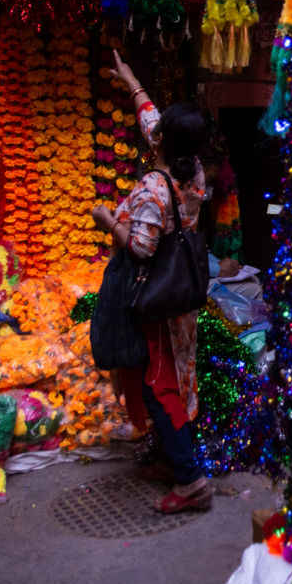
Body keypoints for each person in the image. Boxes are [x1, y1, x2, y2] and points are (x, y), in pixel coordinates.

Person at [90, 50, 212, 514]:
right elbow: (153, 121)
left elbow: (140, 248)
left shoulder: (153, 190)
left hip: (157, 302)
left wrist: (108, 220)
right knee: (176, 377)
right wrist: (131, 78)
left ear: (161, 140)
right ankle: (169, 456)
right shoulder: (191, 170)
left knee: (160, 382)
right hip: (181, 297)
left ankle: (190, 480)